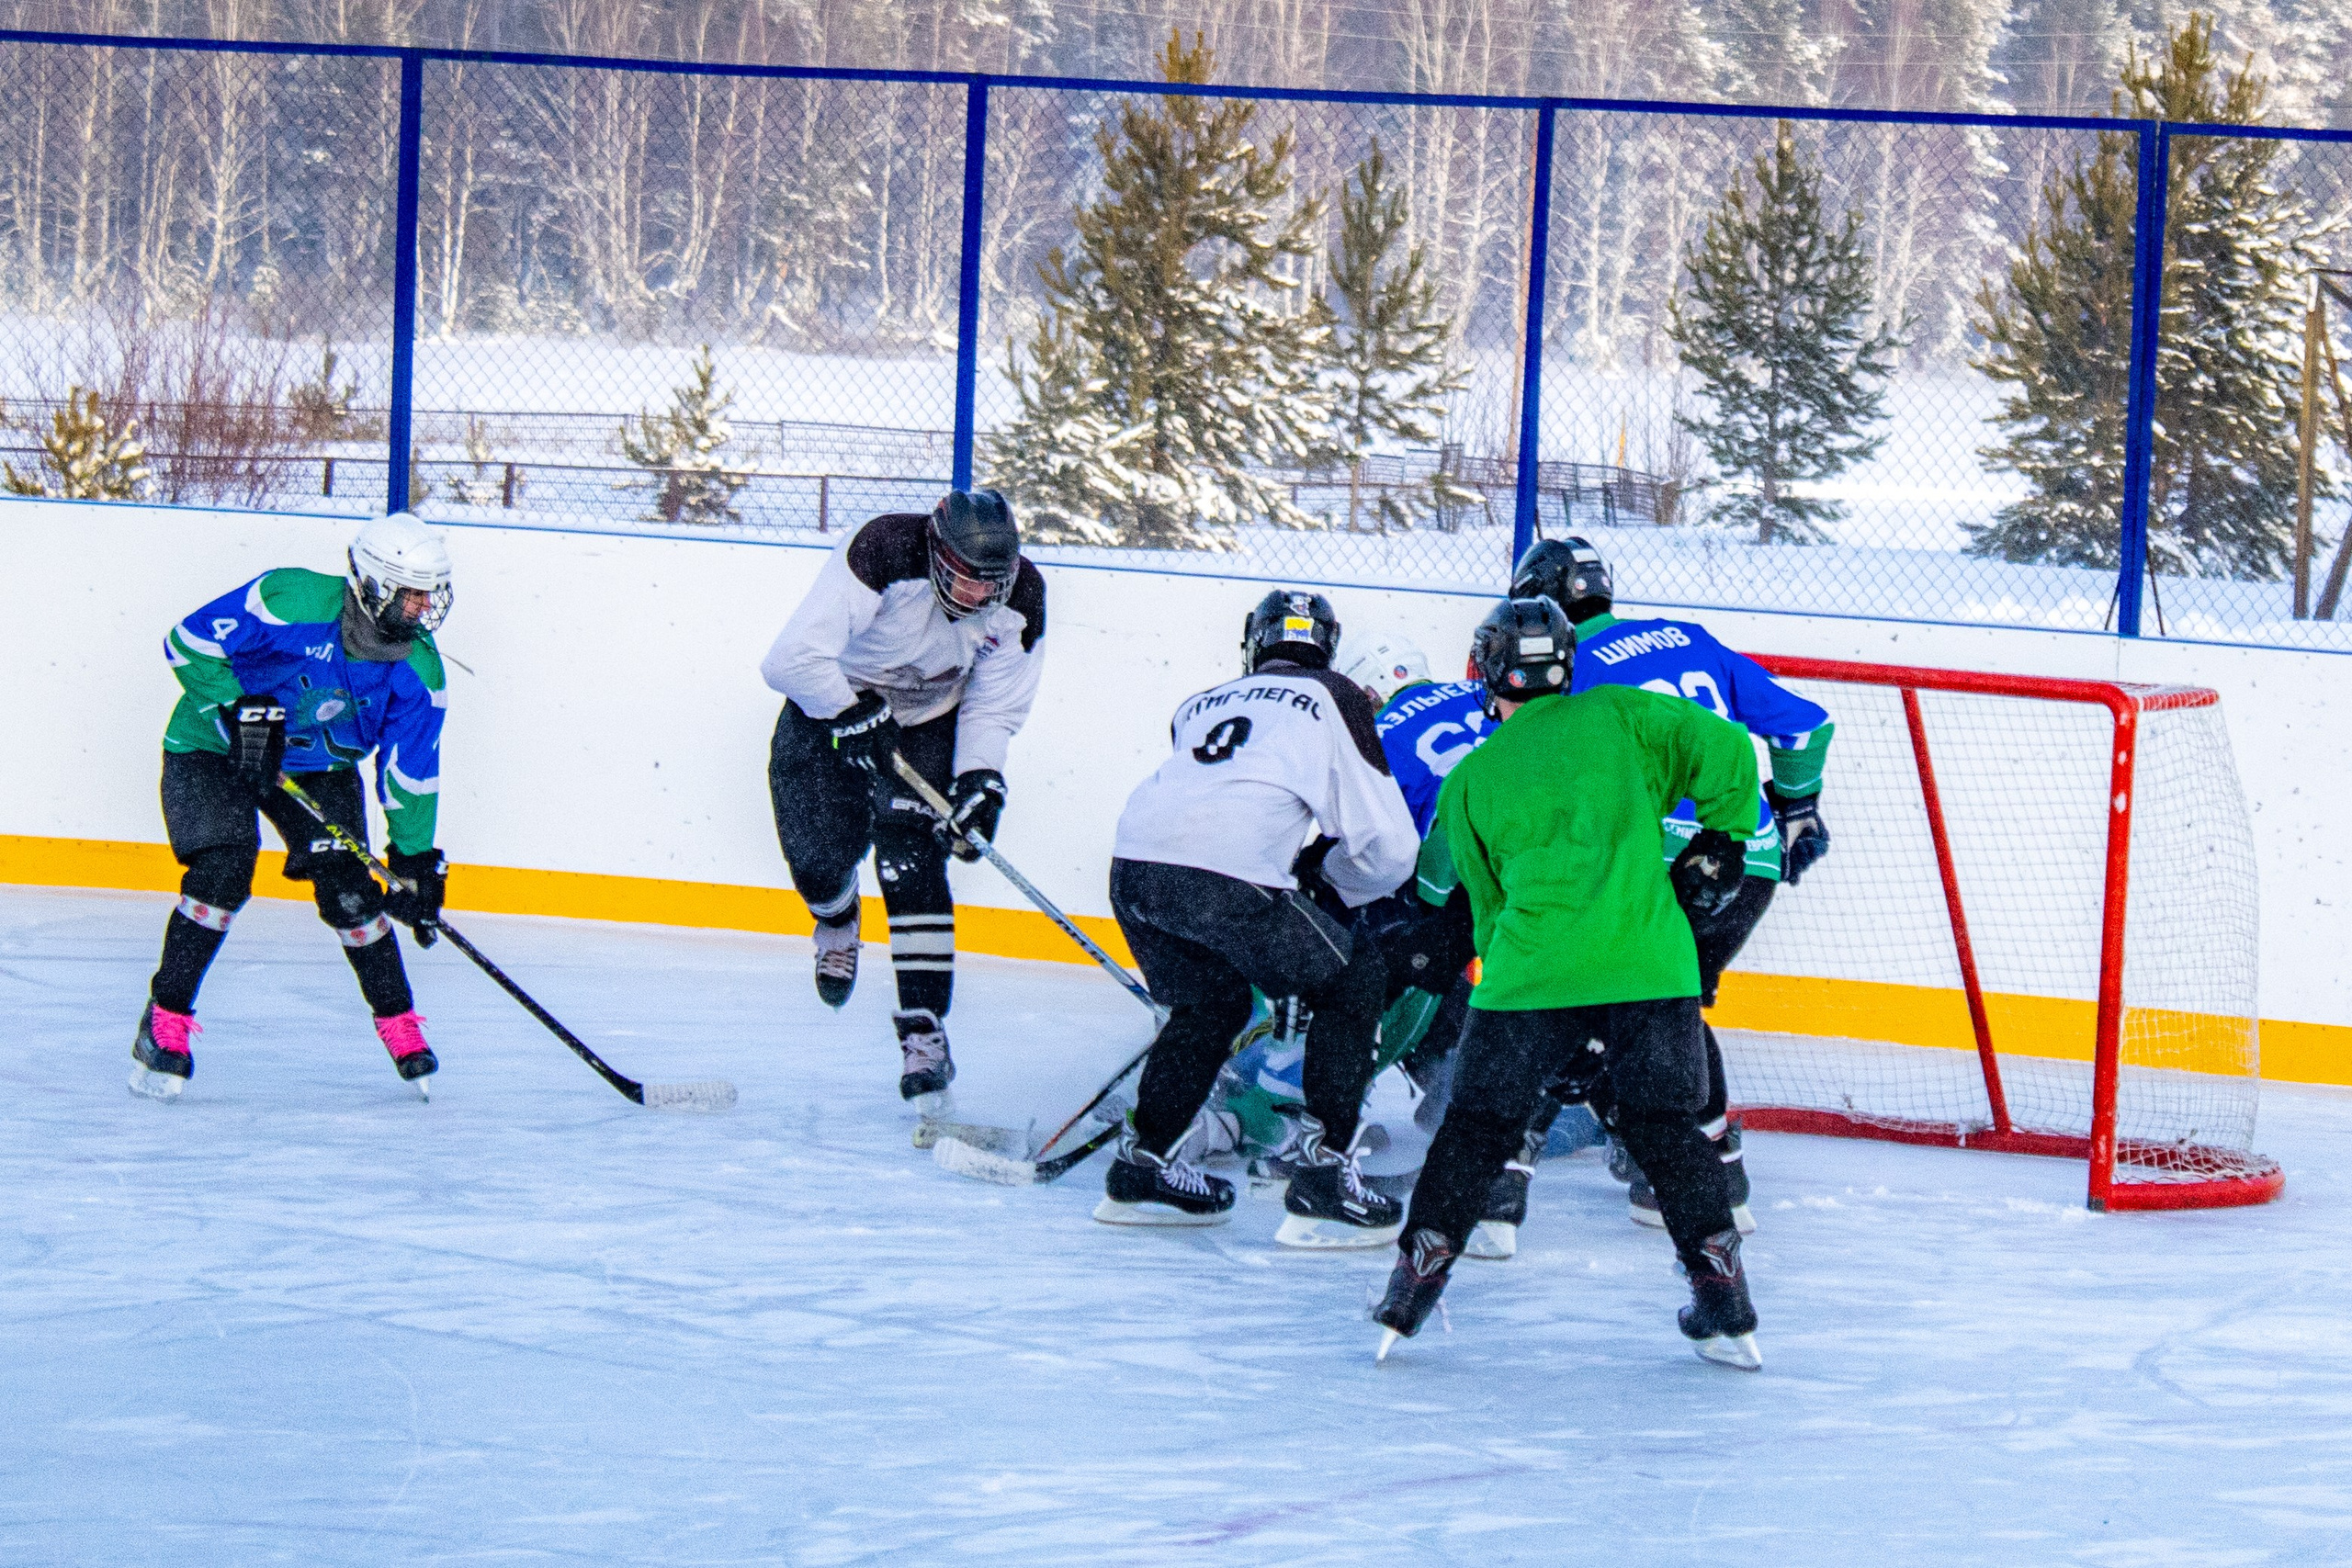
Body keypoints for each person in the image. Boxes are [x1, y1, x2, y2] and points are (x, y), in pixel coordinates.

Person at [1374, 596, 1768, 1371]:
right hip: (1652, 967)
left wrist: (1540, 1014)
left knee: (1474, 1130)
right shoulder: (1621, 712)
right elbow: (1728, 747)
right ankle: (1723, 1298)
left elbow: (1486, 914)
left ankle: (1410, 1290)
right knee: (1666, 1128)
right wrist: (1723, 837)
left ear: (1489, 671)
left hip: (1529, 977)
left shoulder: (1471, 780)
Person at [1510, 536, 1834, 1232]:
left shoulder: (1565, 667)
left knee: (1594, 1003)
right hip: (1748, 860)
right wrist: (1798, 807)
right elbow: (1807, 727)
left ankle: (1512, 1167)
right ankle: (1708, 1169)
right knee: (1664, 1008)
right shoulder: (1688, 636)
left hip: (1659, 866)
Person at [1099, 590, 1419, 1246]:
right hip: (1227, 875)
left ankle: (1143, 1164)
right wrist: (1330, 883)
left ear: (1255, 642)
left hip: (1132, 869)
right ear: (1328, 646)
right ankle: (1325, 1174)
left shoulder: (1200, 702)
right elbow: (1390, 847)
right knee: (1355, 977)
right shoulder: (1336, 695)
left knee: (1209, 1004)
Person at [132, 513, 456, 1101]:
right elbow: (187, 643)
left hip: (319, 769)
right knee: (223, 872)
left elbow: (410, 772)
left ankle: (399, 1022)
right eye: (411, 593)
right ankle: (165, 1019)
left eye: (430, 593)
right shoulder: (287, 599)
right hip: (214, 749)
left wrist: (412, 860)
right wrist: (239, 706)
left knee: (352, 891)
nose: (423, 607)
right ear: (371, 584)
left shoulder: (419, 671)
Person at [760, 491, 1046, 1106]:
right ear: (937, 555)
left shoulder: (1022, 597)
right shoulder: (882, 549)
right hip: (829, 703)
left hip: (929, 720)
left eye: (993, 582)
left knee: (910, 861)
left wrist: (980, 778)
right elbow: (789, 660)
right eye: (967, 579)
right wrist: (846, 710)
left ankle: (924, 1031)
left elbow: (994, 705)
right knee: (817, 857)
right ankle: (836, 918)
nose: (981, 597)